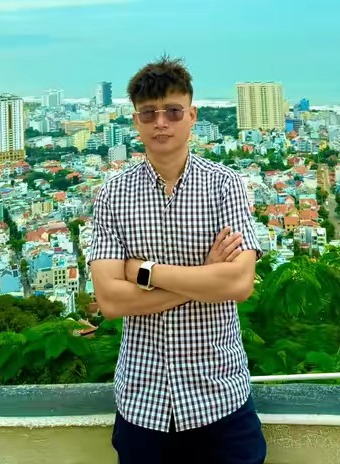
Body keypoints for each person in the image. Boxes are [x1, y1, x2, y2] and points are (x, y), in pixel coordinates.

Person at [87, 56, 267, 464]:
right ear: (136, 121)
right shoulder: (113, 194)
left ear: (192, 116)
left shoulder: (224, 185)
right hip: (143, 400)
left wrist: (144, 272)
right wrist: (205, 277)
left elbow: (238, 285)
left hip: (219, 396)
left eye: (172, 111)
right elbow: (111, 301)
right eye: (149, 113)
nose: (161, 123)